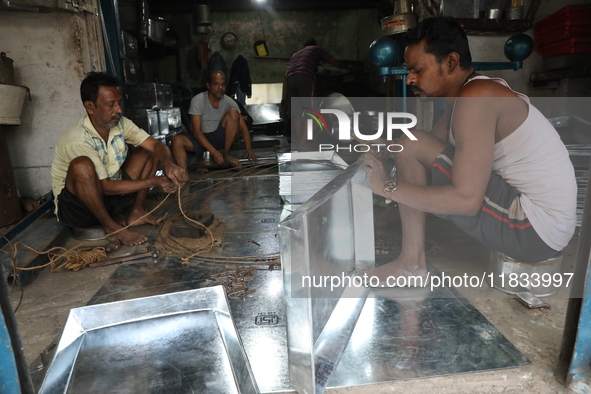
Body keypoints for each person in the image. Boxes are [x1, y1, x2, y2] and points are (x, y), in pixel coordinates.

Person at [359, 17, 577, 282]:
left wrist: (386, 187)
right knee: (409, 143)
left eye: (417, 69)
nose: (410, 79)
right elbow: (418, 151)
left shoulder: (476, 98)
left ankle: (411, 264)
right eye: (408, 71)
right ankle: (410, 260)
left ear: (450, 62)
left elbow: (466, 201)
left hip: (534, 229)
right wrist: (387, 147)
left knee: (431, 167)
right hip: (534, 220)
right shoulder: (466, 97)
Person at [51, 72, 188, 246]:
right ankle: (111, 227)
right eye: (111, 105)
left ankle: (136, 212)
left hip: (109, 199)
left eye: (119, 103)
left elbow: (155, 145)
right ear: (90, 107)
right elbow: (105, 187)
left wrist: (168, 162)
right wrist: (154, 181)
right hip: (79, 209)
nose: (119, 110)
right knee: (81, 165)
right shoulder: (77, 139)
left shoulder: (120, 123)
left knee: (150, 152)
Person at [171, 69, 257, 171]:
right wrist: (214, 152)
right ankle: (183, 175)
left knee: (233, 113)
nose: (220, 87)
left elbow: (243, 128)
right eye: (216, 84)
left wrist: (249, 149)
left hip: (220, 139)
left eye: (223, 84)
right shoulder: (198, 100)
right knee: (176, 140)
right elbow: (196, 132)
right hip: (201, 139)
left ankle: (226, 154)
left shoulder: (230, 102)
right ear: (208, 85)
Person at [281, 39, 353, 145]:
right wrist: (347, 67)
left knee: (296, 113)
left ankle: (299, 142)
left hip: (290, 80)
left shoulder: (296, 54)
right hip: (304, 77)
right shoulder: (316, 49)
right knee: (309, 111)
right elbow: (333, 62)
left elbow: (286, 75)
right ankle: (304, 144)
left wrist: (284, 97)